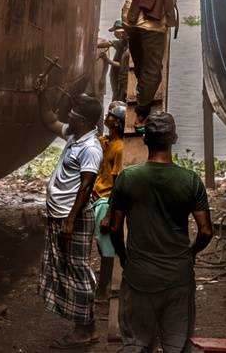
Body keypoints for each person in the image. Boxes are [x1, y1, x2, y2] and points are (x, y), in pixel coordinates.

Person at [108, 112, 213, 353]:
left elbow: (114, 227)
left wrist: (124, 258)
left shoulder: (128, 178)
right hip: (178, 278)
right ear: (174, 139)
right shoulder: (191, 181)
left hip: (139, 276)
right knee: (177, 345)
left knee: (136, 344)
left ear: (145, 139)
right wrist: (190, 253)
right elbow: (206, 231)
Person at [38, 91, 106, 349]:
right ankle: (83, 324)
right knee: (65, 268)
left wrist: (70, 220)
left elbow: (87, 186)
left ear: (83, 121)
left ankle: (86, 329)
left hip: (72, 218)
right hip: (60, 215)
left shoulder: (90, 148)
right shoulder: (73, 135)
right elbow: (49, 120)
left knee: (77, 270)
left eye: (73, 114)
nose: (68, 115)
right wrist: (41, 93)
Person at [121, 0, 190, 123]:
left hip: (130, 18)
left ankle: (142, 91)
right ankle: (142, 111)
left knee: (140, 62)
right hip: (153, 21)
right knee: (153, 71)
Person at [92, 101, 127, 300]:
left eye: (111, 115)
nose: (107, 116)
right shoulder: (107, 142)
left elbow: (117, 185)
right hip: (98, 198)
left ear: (117, 123)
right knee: (101, 244)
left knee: (106, 248)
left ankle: (102, 289)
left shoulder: (119, 148)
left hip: (106, 200)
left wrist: (108, 215)